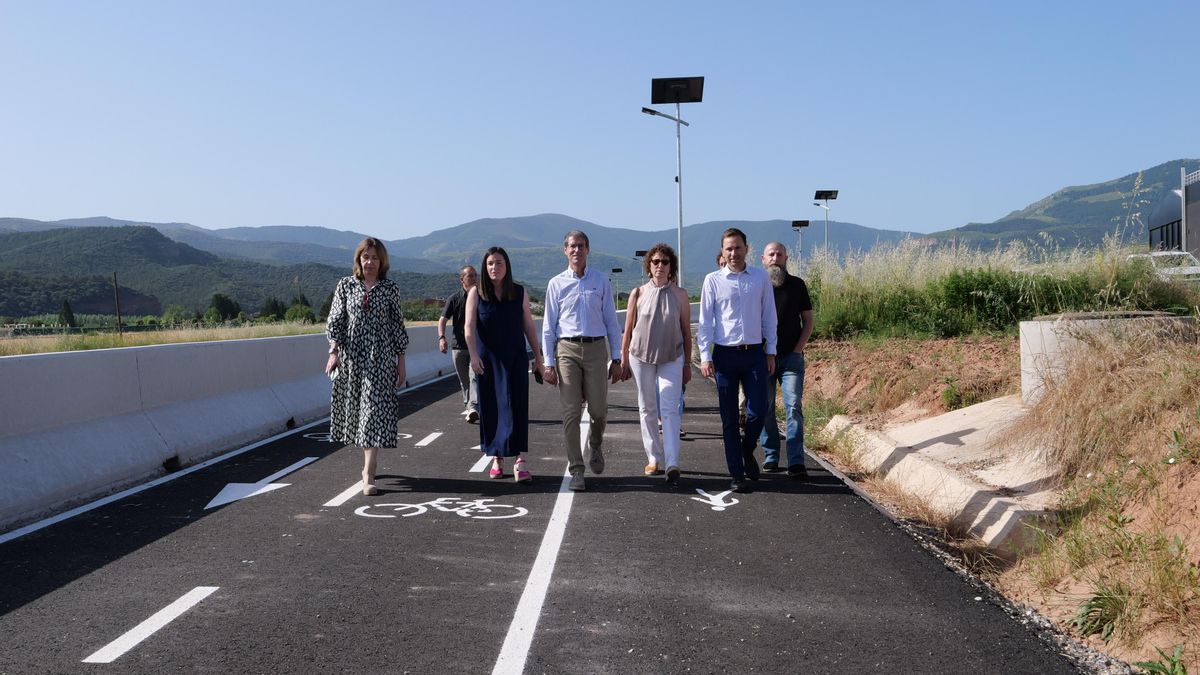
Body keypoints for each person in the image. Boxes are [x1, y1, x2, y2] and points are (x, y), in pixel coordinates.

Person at [325, 237, 409, 496]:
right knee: (358, 413)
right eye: (365, 257)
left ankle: (368, 473)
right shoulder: (346, 286)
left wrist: (401, 361)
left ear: (382, 261)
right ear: (359, 260)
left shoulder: (389, 289)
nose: (370, 262)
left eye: (374, 257)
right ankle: (369, 462)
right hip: (353, 358)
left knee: (372, 411)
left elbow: (397, 325)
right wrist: (333, 352)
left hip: (381, 358)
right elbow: (336, 319)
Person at [541, 230, 623, 491]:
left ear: (588, 250)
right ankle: (576, 469)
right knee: (571, 412)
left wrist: (617, 357)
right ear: (565, 250)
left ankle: (595, 444)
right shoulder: (556, 283)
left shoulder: (601, 280)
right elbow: (548, 326)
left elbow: (611, 321)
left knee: (599, 410)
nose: (577, 250)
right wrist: (548, 363)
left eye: (581, 246)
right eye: (572, 246)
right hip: (567, 350)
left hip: (597, 349)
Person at [697, 228, 777, 494]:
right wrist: (705, 356)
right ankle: (737, 474)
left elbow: (769, 317)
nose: (733, 253)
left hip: (754, 353)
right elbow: (705, 322)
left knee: (759, 409)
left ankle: (746, 450)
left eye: (738, 247)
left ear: (746, 249)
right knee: (729, 418)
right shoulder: (713, 280)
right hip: (725, 355)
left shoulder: (760, 278)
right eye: (728, 249)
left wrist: (771, 351)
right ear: (723, 251)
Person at [466, 247, 543, 483]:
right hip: (487, 360)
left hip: (515, 358)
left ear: (506, 266)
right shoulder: (476, 293)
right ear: (484, 267)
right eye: (490, 263)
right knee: (492, 408)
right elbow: (468, 327)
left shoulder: (519, 292)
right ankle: (496, 456)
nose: (494, 267)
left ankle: (520, 459)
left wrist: (538, 357)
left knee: (516, 406)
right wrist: (473, 356)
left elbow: (528, 326)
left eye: (499, 263)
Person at [620, 243, 692, 486]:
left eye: (665, 262)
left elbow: (685, 331)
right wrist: (623, 360)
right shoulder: (638, 293)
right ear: (649, 266)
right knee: (647, 407)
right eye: (655, 262)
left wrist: (687, 365)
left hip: (672, 356)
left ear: (672, 268)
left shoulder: (680, 295)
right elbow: (628, 329)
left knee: (670, 408)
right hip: (640, 357)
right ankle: (653, 458)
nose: (660, 266)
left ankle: (673, 462)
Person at [758, 242, 814, 479]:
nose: (775, 257)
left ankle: (795, 461)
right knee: (766, 408)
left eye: (779, 254)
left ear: (786, 258)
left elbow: (808, 321)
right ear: (763, 259)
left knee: (793, 407)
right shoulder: (757, 286)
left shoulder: (797, 285)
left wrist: (798, 350)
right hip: (763, 358)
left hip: (791, 359)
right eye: (771, 254)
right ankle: (771, 455)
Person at [439, 265, 480, 423]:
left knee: (474, 377)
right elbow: (443, 320)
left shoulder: (481, 297)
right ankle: (469, 407)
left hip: (476, 347)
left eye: (475, 275)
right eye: (469, 276)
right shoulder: (454, 298)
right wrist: (441, 338)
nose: (473, 278)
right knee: (465, 381)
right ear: (461, 279)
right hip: (458, 347)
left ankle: (474, 407)